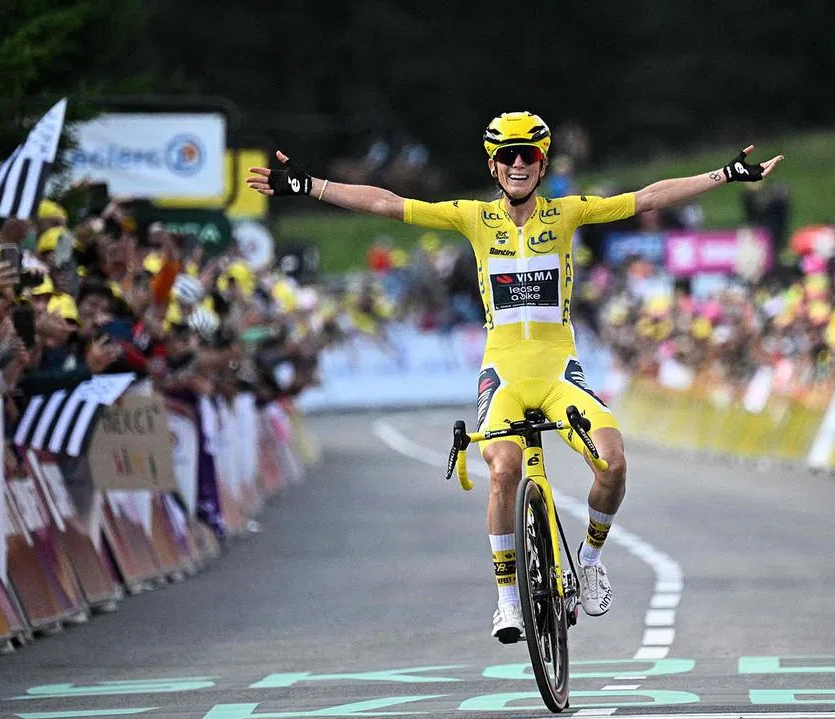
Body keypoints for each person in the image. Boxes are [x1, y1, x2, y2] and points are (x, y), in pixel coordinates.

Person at [246, 111, 783, 643]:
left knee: (614, 464)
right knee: (502, 469)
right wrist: (306, 184)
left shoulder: (568, 213)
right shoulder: (473, 219)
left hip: (558, 369)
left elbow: (646, 198)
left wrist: (724, 175)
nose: (519, 163)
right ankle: (506, 601)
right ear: (494, 165)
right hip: (501, 369)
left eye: (529, 154)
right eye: (508, 155)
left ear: (543, 163)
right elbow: (387, 203)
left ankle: (590, 564)